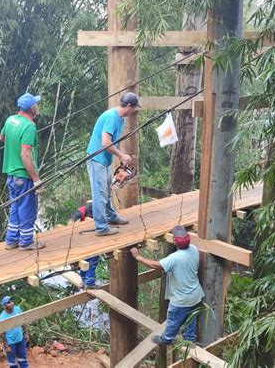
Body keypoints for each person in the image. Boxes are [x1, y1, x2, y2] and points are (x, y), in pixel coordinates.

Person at [130, 225, 204, 345]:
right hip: (195, 294)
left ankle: (167, 338)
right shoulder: (194, 249)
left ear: (175, 241)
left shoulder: (174, 258)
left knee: (173, 319)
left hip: (181, 299)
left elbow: (156, 265)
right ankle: (190, 339)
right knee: (191, 319)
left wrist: (138, 257)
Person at [86, 92, 140, 237]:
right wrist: (121, 155)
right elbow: (105, 142)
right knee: (100, 194)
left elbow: (114, 141)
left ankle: (111, 218)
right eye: (134, 108)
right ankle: (101, 228)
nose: (134, 111)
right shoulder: (111, 117)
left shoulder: (120, 118)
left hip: (104, 161)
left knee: (107, 191)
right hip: (96, 159)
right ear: (129, 106)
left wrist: (121, 157)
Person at [0, 93, 46, 251]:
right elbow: (25, 154)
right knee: (27, 207)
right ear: (32, 108)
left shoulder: (10, 120)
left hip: (11, 174)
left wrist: (13, 146)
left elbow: (2, 138)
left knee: (16, 206)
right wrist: (36, 179)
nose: (38, 106)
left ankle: (11, 239)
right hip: (23, 175)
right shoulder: (29, 126)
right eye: (36, 104)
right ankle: (26, 241)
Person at [0, 296, 30, 368]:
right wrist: (6, 346)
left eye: (12, 301)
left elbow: (23, 321)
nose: (12, 303)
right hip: (10, 342)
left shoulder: (17, 309)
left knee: (22, 358)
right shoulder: (1, 317)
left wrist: (26, 333)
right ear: (4, 306)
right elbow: (2, 333)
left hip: (20, 339)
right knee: (12, 363)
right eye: (8, 302)